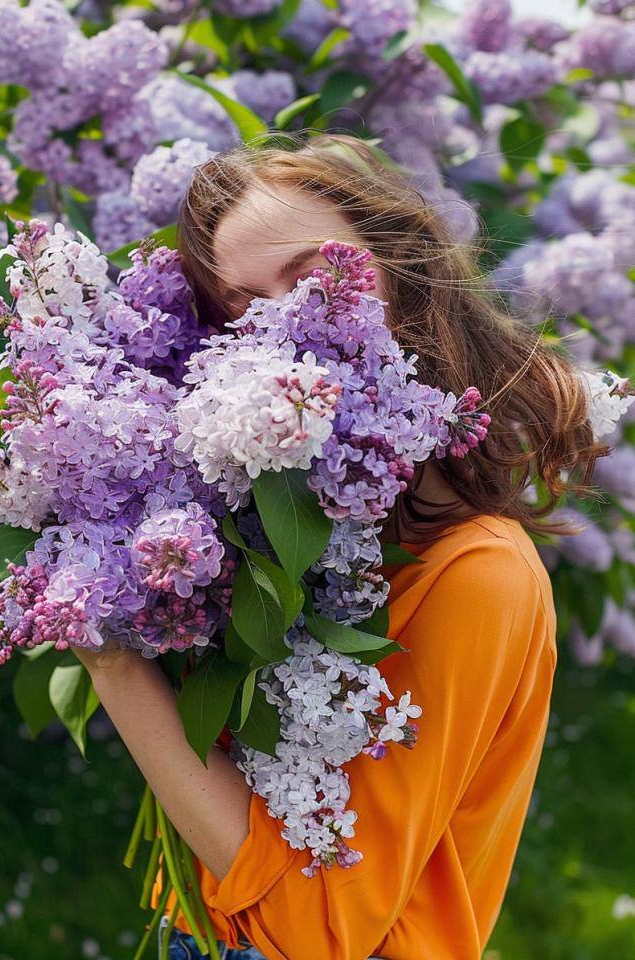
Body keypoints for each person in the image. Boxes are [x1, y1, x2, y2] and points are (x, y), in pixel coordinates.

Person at [73, 132, 605, 959]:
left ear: (403, 269)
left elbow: (316, 929)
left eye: (312, 275)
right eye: (243, 308)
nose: (285, 326)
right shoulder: (284, 518)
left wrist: (110, 661)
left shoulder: (479, 577)